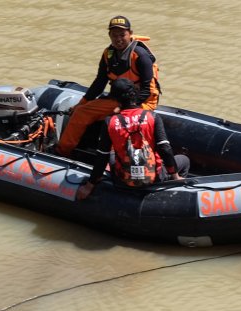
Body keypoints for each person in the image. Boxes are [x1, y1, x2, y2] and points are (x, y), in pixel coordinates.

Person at [55, 15, 162, 157]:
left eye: (122, 35)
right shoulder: (108, 54)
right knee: (81, 112)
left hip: (141, 102)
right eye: (114, 35)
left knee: (118, 121)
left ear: (130, 34)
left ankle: (115, 162)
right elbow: (100, 82)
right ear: (109, 36)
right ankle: (62, 152)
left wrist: (125, 108)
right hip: (117, 100)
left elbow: (147, 90)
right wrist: (82, 103)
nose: (118, 39)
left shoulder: (140, 56)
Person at [76, 78, 188, 200]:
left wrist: (90, 185)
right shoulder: (152, 117)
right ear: (135, 94)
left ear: (115, 99)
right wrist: (175, 176)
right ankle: (174, 194)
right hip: (154, 177)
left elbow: (102, 156)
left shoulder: (110, 122)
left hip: (123, 180)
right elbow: (164, 149)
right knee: (184, 160)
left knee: (111, 154)